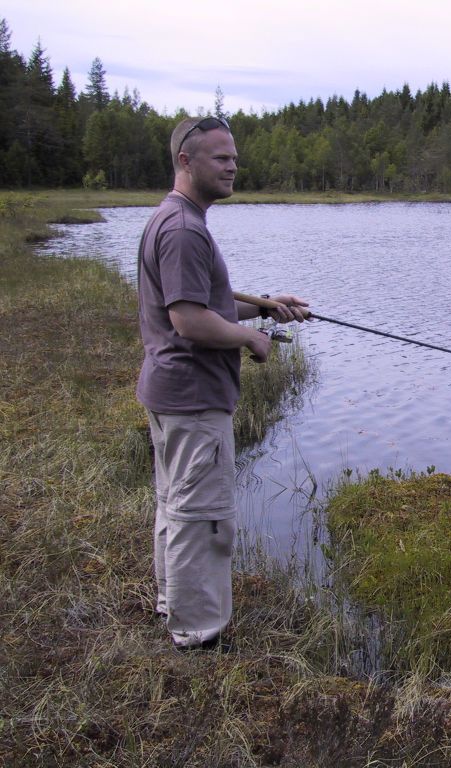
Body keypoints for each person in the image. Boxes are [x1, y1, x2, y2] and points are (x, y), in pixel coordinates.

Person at [136, 115, 307, 650]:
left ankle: (175, 606)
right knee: (202, 517)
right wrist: (250, 341)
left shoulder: (175, 219)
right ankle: (197, 635)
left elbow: (203, 303)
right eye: (220, 157)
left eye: (234, 157)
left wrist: (265, 309)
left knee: (176, 504)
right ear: (186, 162)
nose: (233, 165)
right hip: (192, 398)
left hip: (171, 394)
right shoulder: (185, 230)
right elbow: (189, 320)